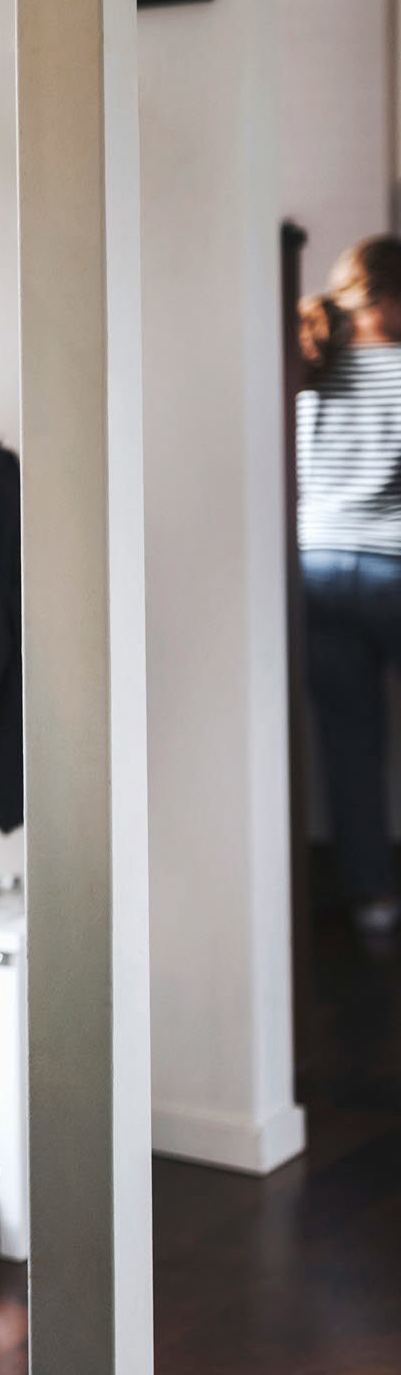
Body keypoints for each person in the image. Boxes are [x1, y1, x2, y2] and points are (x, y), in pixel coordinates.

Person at [297, 233, 401, 935]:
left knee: (350, 745)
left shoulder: (309, 363)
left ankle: (374, 904)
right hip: (393, 567)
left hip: (319, 570)